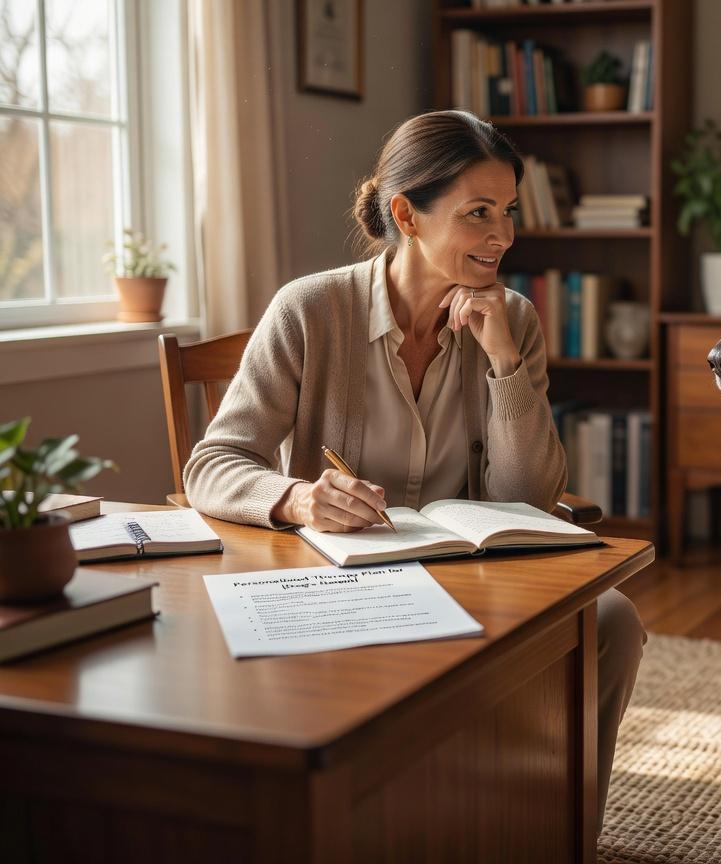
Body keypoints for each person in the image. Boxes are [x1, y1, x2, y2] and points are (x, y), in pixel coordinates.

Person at [184, 109, 645, 831]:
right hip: (334, 582)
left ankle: (564, 838)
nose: (504, 235)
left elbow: (529, 497)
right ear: (407, 214)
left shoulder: (515, 318)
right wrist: (298, 497)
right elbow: (212, 463)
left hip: (467, 578)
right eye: (479, 213)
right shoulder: (310, 310)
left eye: (510, 211)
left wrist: (503, 365)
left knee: (612, 618)